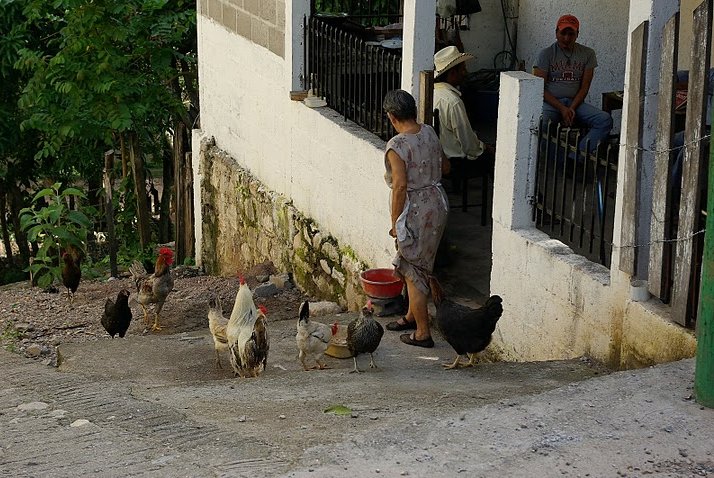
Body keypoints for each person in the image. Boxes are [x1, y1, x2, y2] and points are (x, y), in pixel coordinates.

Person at [382, 89, 449, 348]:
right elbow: (446, 166)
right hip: (438, 203)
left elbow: (399, 186)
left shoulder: (396, 146)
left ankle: (422, 332)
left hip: (416, 211)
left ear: (391, 116)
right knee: (420, 264)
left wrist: (395, 223)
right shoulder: (429, 132)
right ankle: (411, 315)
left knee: (413, 272)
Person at [534, 14, 613, 153]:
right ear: (556, 33)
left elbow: (584, 87)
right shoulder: (546, 54)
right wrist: (561, 108)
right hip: (551, 103)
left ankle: (576, 158)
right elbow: (540, 89)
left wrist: (571, 108)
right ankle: (558, 162)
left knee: (604, 120)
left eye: (571, 34)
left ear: (577, 34)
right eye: (563, 33)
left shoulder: (587, 54)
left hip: (575, 103)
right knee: (542, 123)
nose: (566, 38)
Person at [432, 46, 494, 172]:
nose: (465, 73)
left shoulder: (432, 92)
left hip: (436, 156)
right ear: (453, 73)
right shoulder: (453, 102)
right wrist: (485, 148)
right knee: (495, 159)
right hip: (455, 162)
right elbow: (468, 144)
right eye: (463, 69)